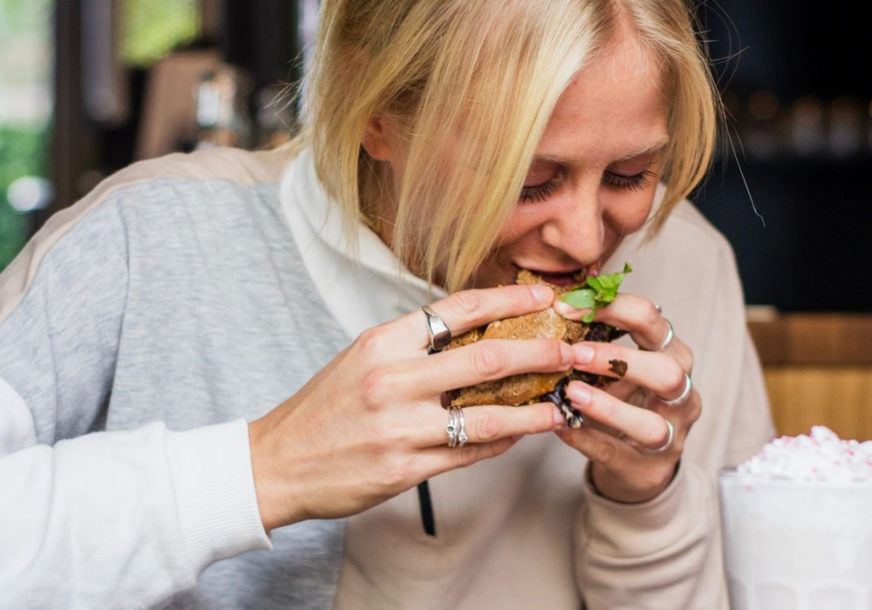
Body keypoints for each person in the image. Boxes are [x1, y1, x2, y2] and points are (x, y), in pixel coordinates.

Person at [0, 0, 774, 608]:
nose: (583, 239)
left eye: (632, 174)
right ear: (374, 112)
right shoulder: (146, 242)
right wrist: (263, 467)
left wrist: (647, 499)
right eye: (528, 179)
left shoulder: (690, 264)